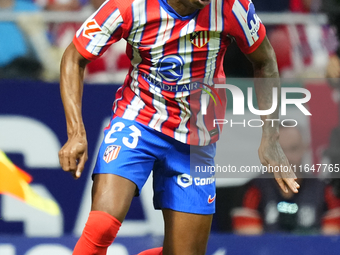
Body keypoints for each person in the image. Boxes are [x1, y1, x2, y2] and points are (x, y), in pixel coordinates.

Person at [58, 0, 300, 254]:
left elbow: (265, 60)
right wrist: (76, 133)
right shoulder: (128, 5)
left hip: (196, 141)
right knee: (101, 226)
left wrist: (270, 137)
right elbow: (74, 57)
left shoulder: (232, 7)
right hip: (139, 122)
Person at [232, 124, 340, 235]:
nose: (286, 157)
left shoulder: (325, 191)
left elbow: (331, 243)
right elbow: (248, 243)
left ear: (305, 149)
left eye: (293, 148)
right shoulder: (252, 190)